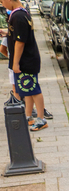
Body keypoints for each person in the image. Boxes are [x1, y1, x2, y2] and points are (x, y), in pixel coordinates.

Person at [0, 0, 50, 130]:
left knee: (33, 89)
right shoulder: (21, 13)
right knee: (26, 90)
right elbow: (19, 34)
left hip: (25, 60)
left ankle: (41, 118)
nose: (2, 5)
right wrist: (7, 33)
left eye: (2, 1)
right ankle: (28, 116)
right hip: (27, 59)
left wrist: (15, 63)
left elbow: (20, 42)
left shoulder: (18, 16)